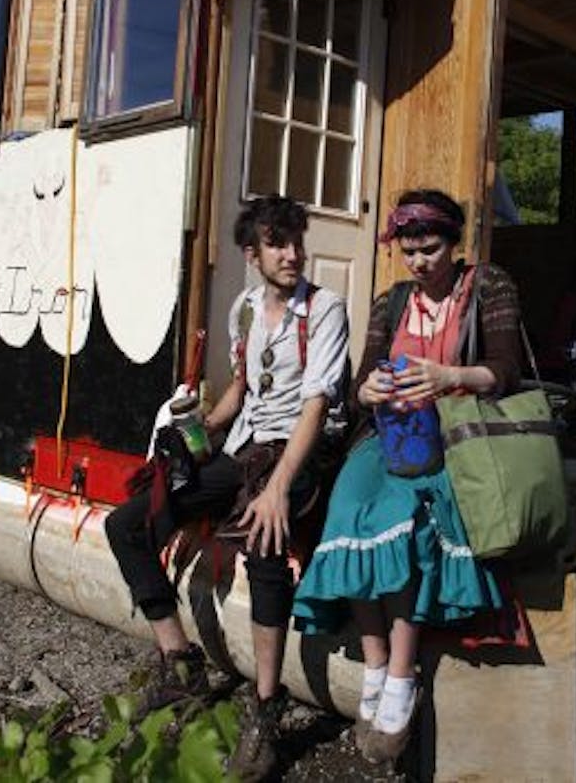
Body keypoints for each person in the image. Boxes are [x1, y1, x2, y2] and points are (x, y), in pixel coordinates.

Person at [106, 194, 349, 781]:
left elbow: (315, 408)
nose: (293, 254)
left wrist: (278, 488)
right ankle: (180, 660)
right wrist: (200, 429)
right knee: (128, 524)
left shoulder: (325, 310)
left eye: (297, 241)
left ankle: (266, 711)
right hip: (243, 449)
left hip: (298, 452)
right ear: (253, 253)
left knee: (266, 544)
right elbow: (242, 385)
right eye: (278, 244)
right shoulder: (244, 308)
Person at [291, 188, 524, 763]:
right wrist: (366, 387)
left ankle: (401, 674)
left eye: (431, 249)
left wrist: (446, 375)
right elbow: (362, 377)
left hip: (458, 432)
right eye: (409, 251)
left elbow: (506, 372)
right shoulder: (392, 301)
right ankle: (374, 663)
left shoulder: (488, 286)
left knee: (402, 516)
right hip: (389, 435)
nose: (420, 262)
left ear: (455, 242)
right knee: (347, 508)